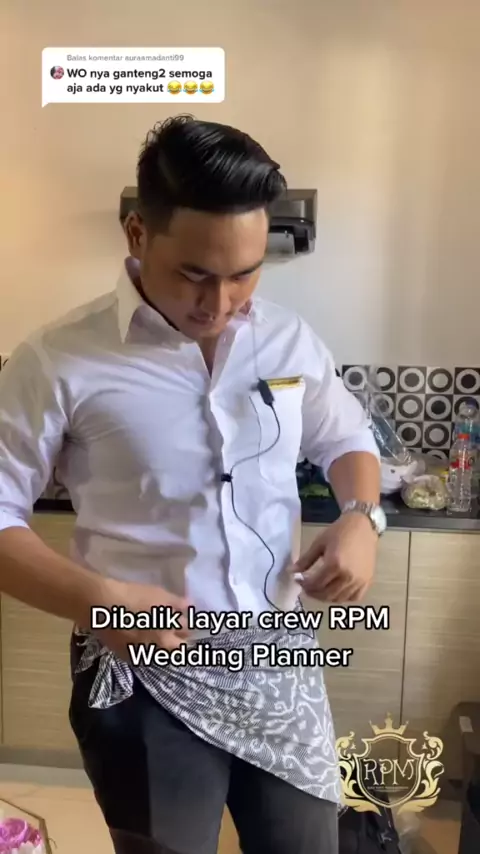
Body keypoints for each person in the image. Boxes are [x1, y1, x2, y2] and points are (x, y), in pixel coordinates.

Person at [0, 115, 384, 854]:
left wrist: (362, 516)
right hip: (142, 670)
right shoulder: (57, 360)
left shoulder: (288, 340)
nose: (220, 302)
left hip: (275, 659)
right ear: (138, 235)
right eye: (195, 275)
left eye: (245, 273)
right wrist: (96, 598)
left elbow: (346, 439)